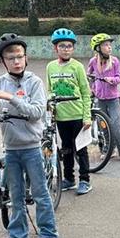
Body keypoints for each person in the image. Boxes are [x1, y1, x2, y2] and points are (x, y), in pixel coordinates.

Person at [0, 32, 59, 238]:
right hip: (11, 148)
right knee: (15, 195)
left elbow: (36, 112)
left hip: (31, 146)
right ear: (2, 61)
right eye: (10, 58)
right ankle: (17, 236)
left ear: (26, 58)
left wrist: (10, 97)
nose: (16, 61)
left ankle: (49, 234)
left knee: (41, 193)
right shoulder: (1, 81)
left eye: (19, 56)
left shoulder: (34, 82)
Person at [46, 28, 93, 193]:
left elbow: (86, 93)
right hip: (61, 116)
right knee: (65, 148)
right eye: (62, 46)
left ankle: (85, 180)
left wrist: (87, 117)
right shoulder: (50, 67)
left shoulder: (77, 67)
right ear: (55, 48)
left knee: (80, 149)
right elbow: (50, 91)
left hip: (77, 115)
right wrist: (49, 110)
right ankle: (68, 178)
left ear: (73, 48)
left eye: (69, 46)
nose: (66, 49)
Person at [87, 33, 120, 161]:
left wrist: (111, 80)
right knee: (103, 125)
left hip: (113, 98)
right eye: (106, 45)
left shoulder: (114, 61)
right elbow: (89, 75)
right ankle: (109, 149)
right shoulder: (93, 62)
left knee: (117, 125)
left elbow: (119, 77)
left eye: (110, 45)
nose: (109, 47)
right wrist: (92, 87)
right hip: (100, 99)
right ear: (98, 48)